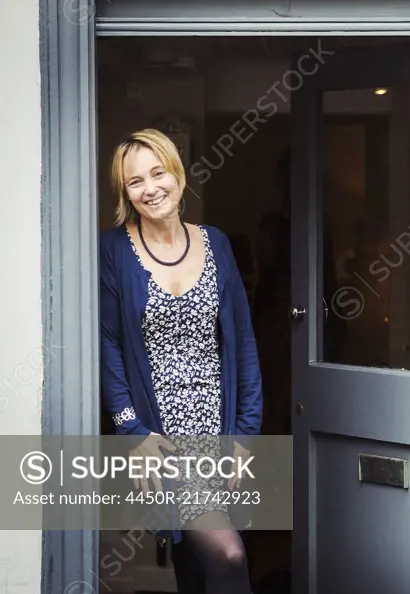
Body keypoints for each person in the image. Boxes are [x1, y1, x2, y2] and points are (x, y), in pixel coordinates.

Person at [99, 129, 263, 593]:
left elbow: (242, 344)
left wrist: (246, 437)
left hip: (219, 430)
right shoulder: (112, 251)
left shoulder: (216, 244)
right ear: (125, 193)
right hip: (159, 439)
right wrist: (131, 431)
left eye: (157, 173)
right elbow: (107, 345)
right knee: (228, 556)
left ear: (178, 173)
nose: (150, 188)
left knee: (198, 565)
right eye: (135, 182)